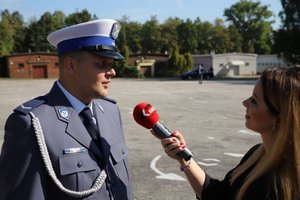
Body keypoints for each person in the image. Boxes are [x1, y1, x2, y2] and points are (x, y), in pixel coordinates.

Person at [0, 19, 134, 200]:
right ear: (71, 65)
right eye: (101, 64)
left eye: (111, 64)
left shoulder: (110, 111)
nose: (112, 72)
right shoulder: (32, 124)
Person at [157, 66, 300, 200]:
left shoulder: (276, 187)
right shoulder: (256, 154)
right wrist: (184, 158)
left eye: (254, 101)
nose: (245, 103)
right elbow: (217, 195)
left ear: (280, 120)